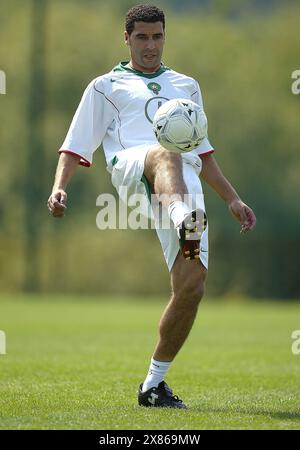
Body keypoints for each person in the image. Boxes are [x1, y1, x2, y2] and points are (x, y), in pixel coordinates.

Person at [47, 4, 256, 409]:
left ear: (165, 36)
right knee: (167, 153)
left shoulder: (187, 86)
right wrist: (59, 189)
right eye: (141, 37)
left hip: (184, 186)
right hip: (134, 172)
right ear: (126, 39)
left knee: (191, 284)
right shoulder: (105, 87)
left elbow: (205, 153)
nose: (150, 45)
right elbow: (74, 146)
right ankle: (182, 216)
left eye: (157, 36)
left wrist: (232, 198)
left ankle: (153, 386)